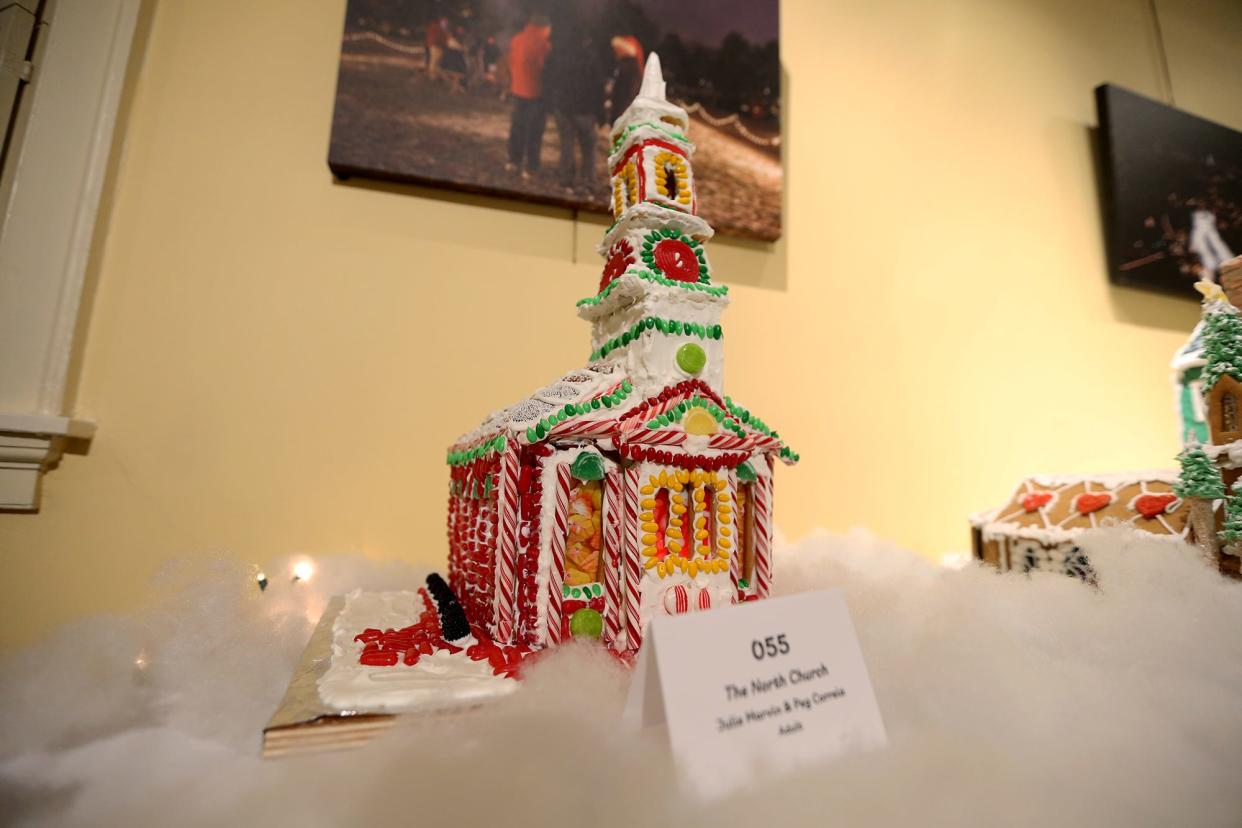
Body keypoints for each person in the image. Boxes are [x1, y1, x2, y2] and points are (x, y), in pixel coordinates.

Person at [545, 31, 605, 192]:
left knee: (567, 146)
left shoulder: (559, 57)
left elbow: (549, 79)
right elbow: (599, 88)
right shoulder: (592, 59)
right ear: (586, 41)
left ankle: (566, 180)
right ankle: (589, 182)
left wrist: (552, 104)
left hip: (564, 109)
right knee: (589, 148)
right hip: (585, 110)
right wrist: (601, 115)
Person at [506, 14, 552, 179]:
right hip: (537, 93)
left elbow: (510, 62)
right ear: (545, 28)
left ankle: (513, 160)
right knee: (535, 131)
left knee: (517, 127)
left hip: (518, 89)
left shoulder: (516, 39)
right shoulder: (545, 45)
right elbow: (545, 69)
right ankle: (531, 167)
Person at [607, 34, 644, 121]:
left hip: (624, 111)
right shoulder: (630, 65)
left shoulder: (629, 66)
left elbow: (628, 91)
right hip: (626, 110)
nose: (614, 52)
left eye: (616, 49)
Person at [425, 17, 450, 81]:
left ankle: (435, 75)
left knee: (437, 61)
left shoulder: (439, 28)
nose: (445, 24)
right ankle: (432, 76)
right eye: (444, 22)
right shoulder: (436, 28)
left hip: (438, 45)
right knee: (434, 60)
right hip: (435, 45)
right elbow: (440, 36)